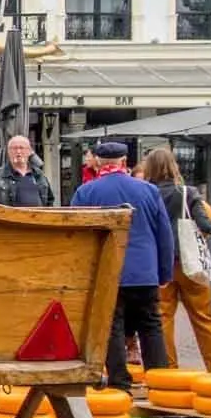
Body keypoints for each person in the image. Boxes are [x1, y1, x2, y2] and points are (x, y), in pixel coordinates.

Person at [71, 140, 173, 391]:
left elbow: (74, 234)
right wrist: (164, 271)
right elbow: (165, 235)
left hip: (107, 271)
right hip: (145, 271)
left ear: (98, 163)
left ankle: (119, 382)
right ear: (124, 162)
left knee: (111, 326)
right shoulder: (149, 190)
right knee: (151, 325)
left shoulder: (86, 192)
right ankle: (160, 383)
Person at [140, 147, 211, 373]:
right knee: (203, 317)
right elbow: (207, 226)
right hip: (191, 264)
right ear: (174, 166)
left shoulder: (146, 193)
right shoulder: (188, 193)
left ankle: (169, 370)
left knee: (163, 317)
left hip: (160, 264)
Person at [0, 135, 55, 208]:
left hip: (37, 218)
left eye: (22, 148)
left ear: (29, 151)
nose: (18, 152)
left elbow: (49, 201)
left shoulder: (39, 175)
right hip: (8, 219)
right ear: (8, 151)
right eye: (14, 148)